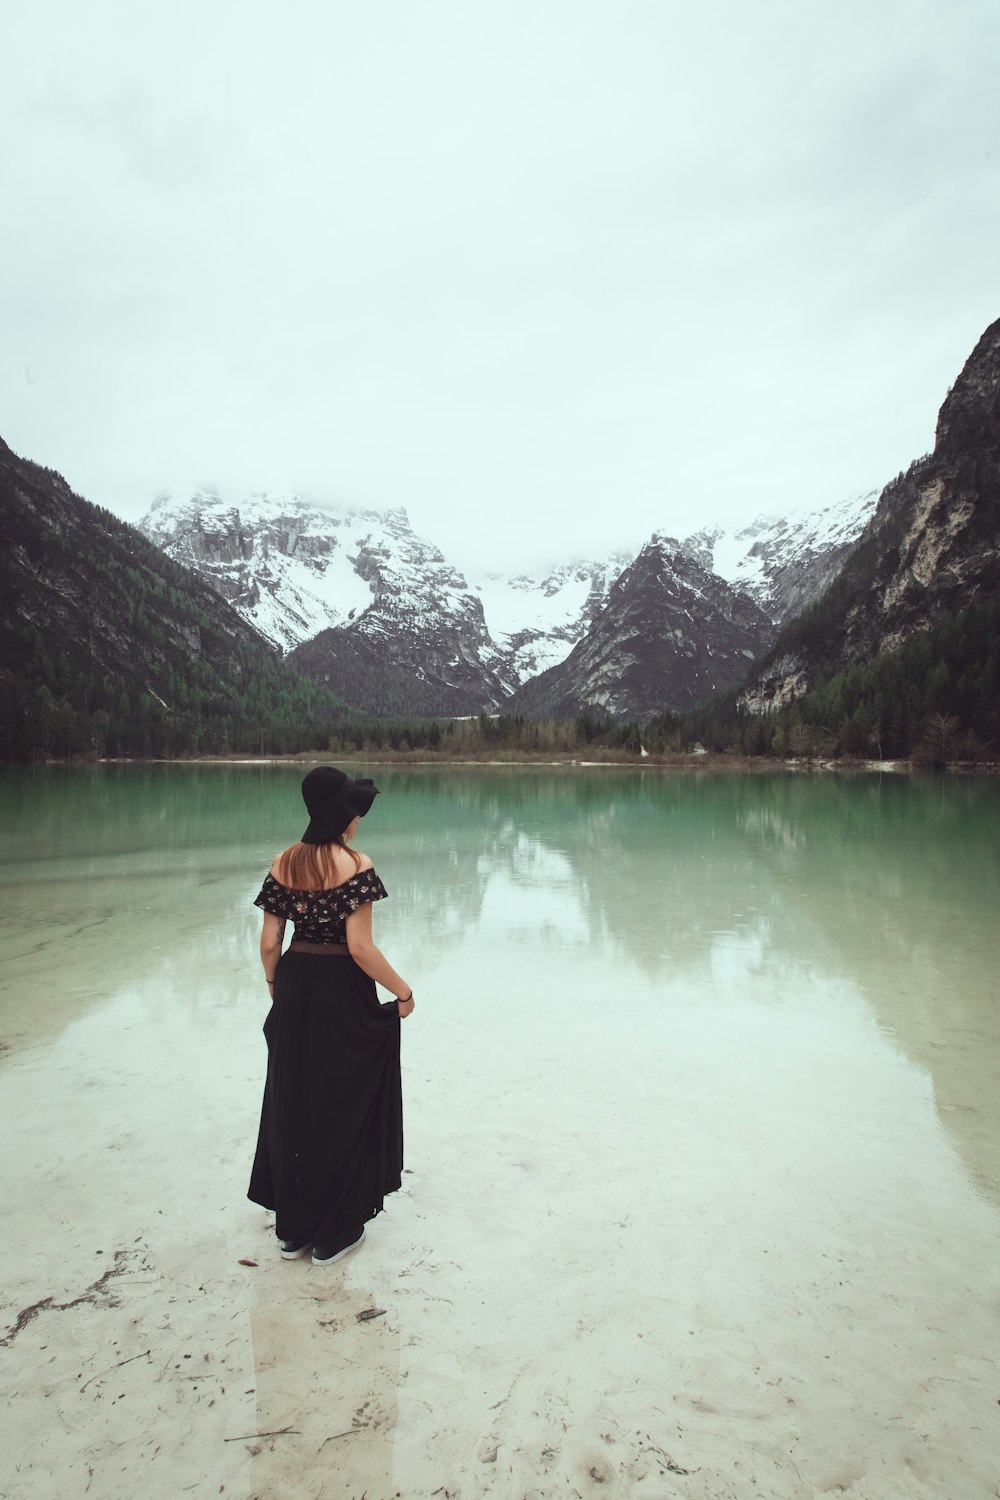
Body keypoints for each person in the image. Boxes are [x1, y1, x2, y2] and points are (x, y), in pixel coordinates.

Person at [248, 766, 414, 1266]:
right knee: (342, 1101)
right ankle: (334, 1231)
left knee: (293, 1096)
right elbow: (360, 948)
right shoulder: (356, 863)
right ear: (344, 815)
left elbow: (270, 942)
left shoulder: (283, 862)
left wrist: (278, 987)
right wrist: (403, 992)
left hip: (296, 981)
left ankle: (293, 1232)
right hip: (342, 987)